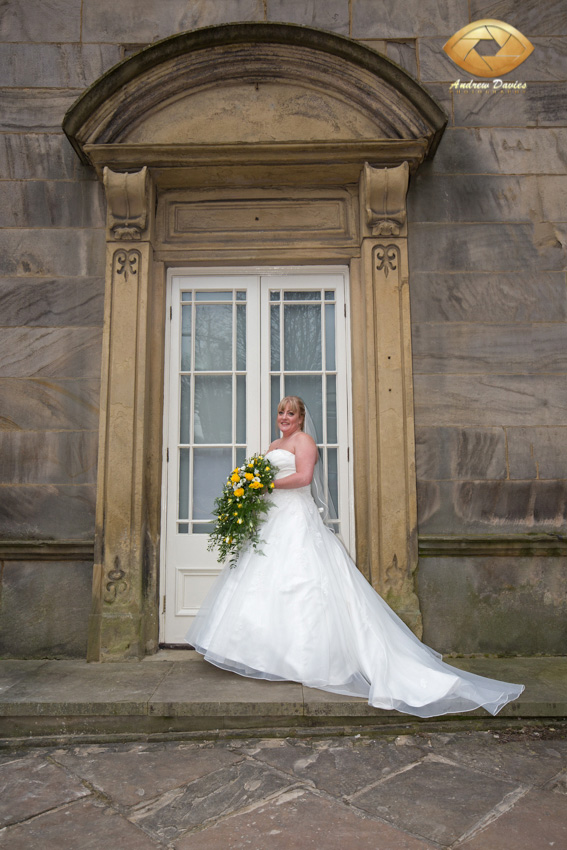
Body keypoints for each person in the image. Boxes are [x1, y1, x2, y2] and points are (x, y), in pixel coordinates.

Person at [186, 396, 524, 718]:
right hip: (272, 518)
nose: (284, 418)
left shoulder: (303, 443)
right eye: (281, 413)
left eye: (290, 413)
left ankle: (310, 659)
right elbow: (266, 476)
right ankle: (268, 656)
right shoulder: (274, 447)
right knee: (262, 580)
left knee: (302, 582)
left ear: (301, 418)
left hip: (295, 518)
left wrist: (266, 487)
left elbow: (303, 478)